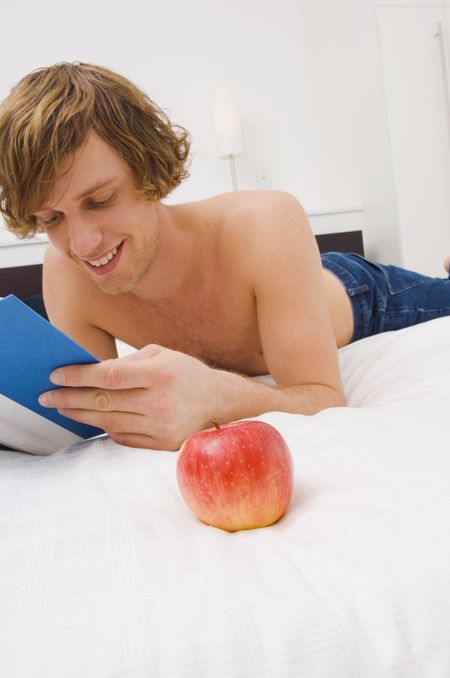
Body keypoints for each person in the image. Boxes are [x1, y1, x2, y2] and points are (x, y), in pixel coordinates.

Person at [0, 62, 449, 451]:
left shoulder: (266, 222)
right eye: (53, 219)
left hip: (359, 294)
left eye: (99, 201)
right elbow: (88, 420)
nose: (82, 244)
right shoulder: (66, 273)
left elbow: (322, 398)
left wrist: (214, 395)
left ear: (148, 171)